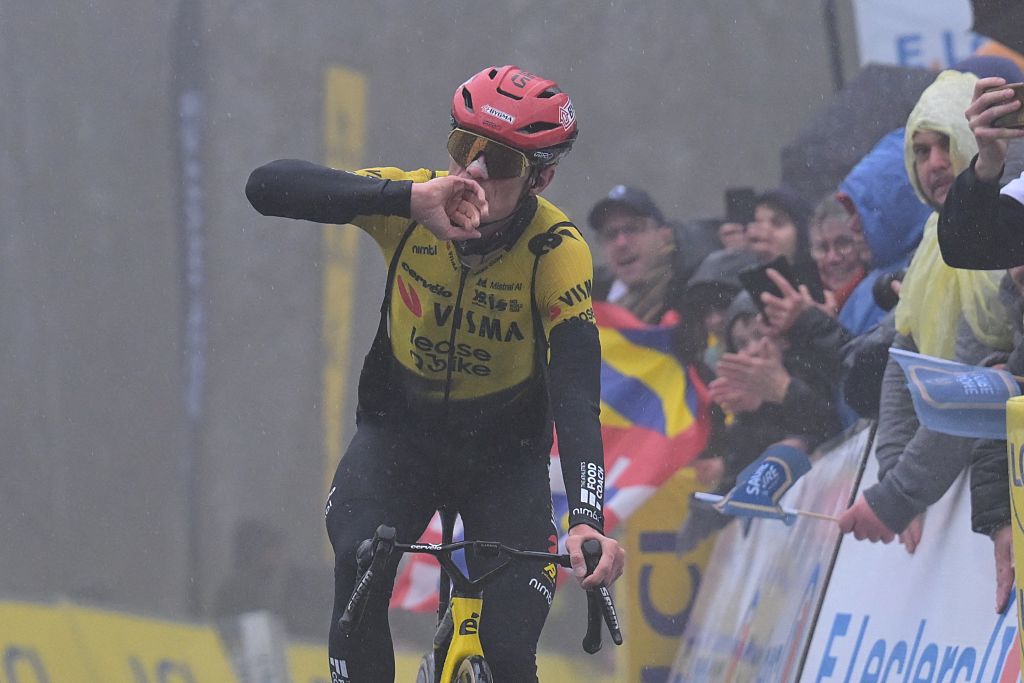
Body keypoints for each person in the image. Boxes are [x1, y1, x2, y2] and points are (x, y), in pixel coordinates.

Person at [245, 64, 624, 682]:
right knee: (360, 573)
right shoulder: (410, 201)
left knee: (508, 655)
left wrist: (588, 518)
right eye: (462, 146)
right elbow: (265, 186)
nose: (471, 171)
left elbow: (577, 395)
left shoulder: (556, 251)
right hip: (398, 442)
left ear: (542, 177)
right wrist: (402, 200)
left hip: (505, 463)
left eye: (498, 162)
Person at [838, 70, 1014, 557]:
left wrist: (898, 496)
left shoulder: (1004, 231)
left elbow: (985, 385)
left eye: (946, 145)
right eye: (921, 151)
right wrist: (894, 471)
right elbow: (905, 358)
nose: (934, 164)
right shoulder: (931, 246)